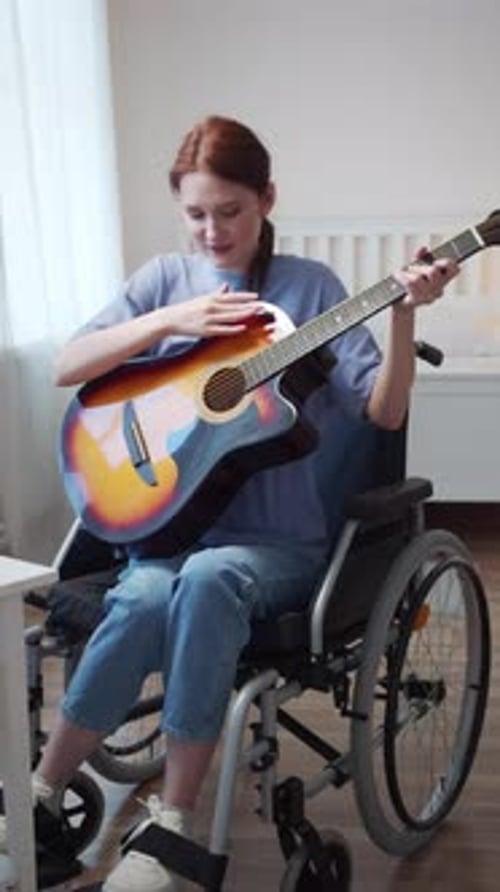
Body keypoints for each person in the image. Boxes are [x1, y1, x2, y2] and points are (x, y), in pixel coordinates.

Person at [0, 116, 458, 892]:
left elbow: (383, 413)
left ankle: (172, 825)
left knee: (210, 576)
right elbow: (69, 365)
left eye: (232, 211)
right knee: (144, 591)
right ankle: (39, 794)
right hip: (163, 537)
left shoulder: (312, 290)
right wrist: (171, 321)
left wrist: (405, 312)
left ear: (267, 199)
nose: (214, 230)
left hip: (277, 545)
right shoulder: (165, 280)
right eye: (197, 214)